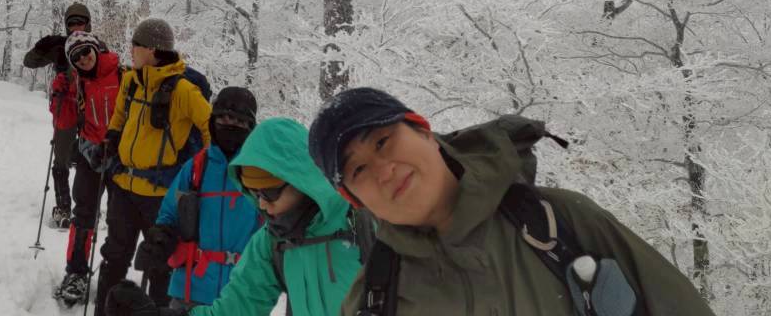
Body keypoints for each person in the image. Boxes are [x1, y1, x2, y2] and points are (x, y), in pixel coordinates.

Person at [307, 87, 718, 316]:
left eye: (382, 141)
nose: (383, 170)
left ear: (423, 131)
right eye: (358, 170)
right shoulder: (373, 298)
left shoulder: (560, 224)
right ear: (353, 199)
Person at [105, 117, 364, 316]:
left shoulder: (363, 225)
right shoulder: (272, 242)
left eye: (269, 193)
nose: (262, 204)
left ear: (302, 180)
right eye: (253, 193)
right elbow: (235, 310)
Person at [92, 17, 213, 316]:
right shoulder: (131, 81)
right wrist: (109, 140)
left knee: (160, 266)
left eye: (135, 44)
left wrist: (206, 169)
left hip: (160, 197)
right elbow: (120, 116)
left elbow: (210, 127)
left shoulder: (183, 90)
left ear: (152, 50)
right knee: (114, 258)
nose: (130, 49)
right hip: (123, 188)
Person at [134, 87, 263, 308]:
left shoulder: (260, 173)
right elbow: (170, 214)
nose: (230, 125)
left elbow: (274, 229)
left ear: (251, 128)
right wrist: (160, 241)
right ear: (213, 122)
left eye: (240, 122)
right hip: (190, 290)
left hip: (241, 296)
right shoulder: (196, 168)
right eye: (224, 118)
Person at [54, 31, 126, 306]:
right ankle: (76, 272)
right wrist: (59, 96)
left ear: (96, 49)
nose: (84, 59)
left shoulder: (124, 75)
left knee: (120, 219)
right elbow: (64, 122)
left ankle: (113, 276)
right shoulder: (76, 83)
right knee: (83, 215)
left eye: (86, 51)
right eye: (77, 57)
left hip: (121, 157)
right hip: (90, 155)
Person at [24, 2, 93, 229]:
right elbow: (29, 62)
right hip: (65, 108)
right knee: (61, 158)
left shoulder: (97, 46)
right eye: (72, 23)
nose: (76, 27)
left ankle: (87, 208)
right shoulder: (59, 47)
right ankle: (63, 207)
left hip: (90, 110)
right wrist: (40, 48)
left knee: (90, 159)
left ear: (88, 24)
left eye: (80, 22)